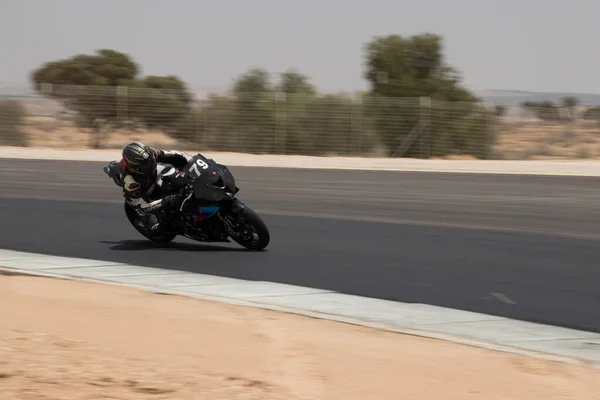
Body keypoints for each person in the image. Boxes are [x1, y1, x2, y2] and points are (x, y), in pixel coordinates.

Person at [119, 141, 192, 234]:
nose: (149, 163)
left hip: (152, 176)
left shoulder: (149, 155)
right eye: (145, 164)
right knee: (161, 226)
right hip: (141, 194)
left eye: (150, 160)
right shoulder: (130, 182)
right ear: (135, 168)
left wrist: (193, 161)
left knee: (175, 163)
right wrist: (168, 200)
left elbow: (175, 154)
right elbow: (143, 206)